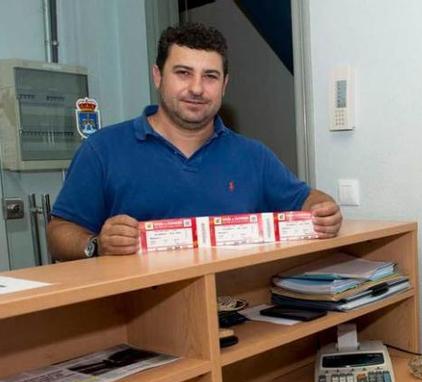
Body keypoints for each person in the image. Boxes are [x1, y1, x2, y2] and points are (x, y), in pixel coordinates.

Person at [48, 22, 341, 261]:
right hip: (135, 317)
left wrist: (323, 209)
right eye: (183, 73)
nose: (197, 88)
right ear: (157, 76)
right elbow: (59, 232)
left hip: (234, 310)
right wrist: (96, 244)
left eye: (210, 76)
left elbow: (307, 200)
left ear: (224, 85)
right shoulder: (103, 150)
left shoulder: (253, 156)